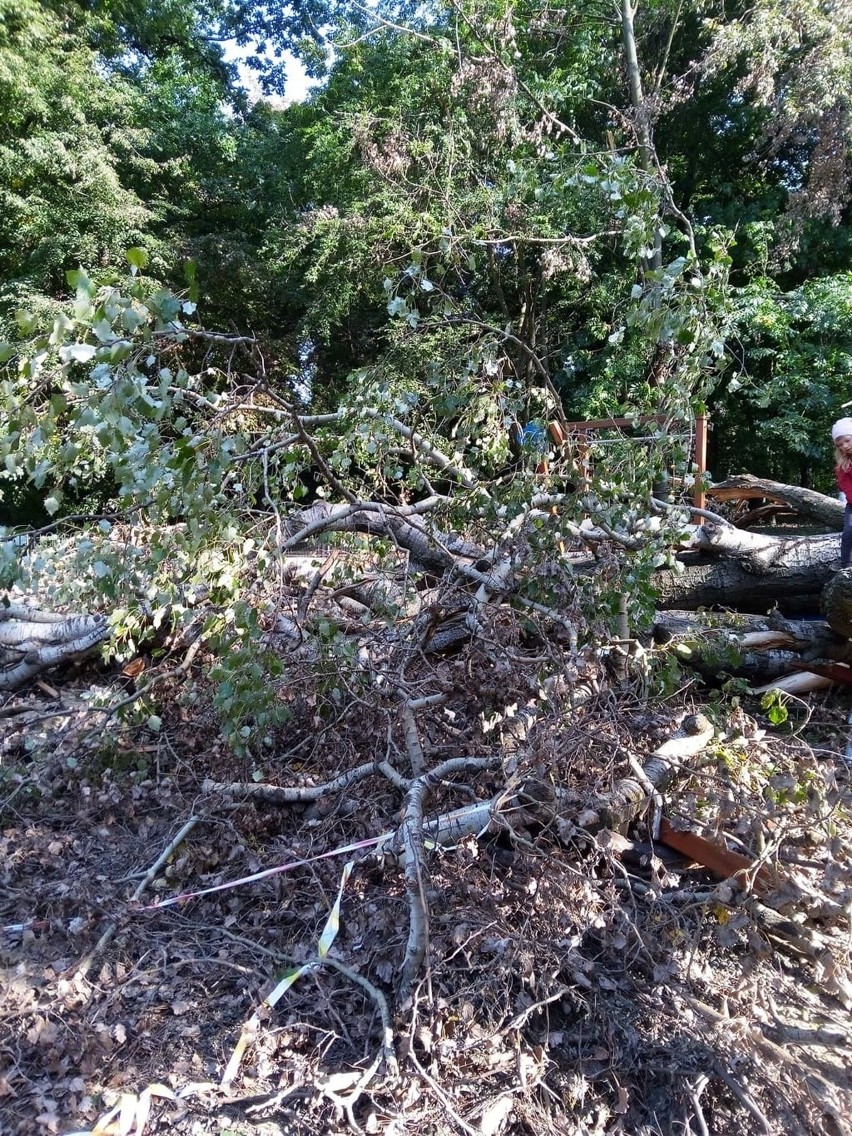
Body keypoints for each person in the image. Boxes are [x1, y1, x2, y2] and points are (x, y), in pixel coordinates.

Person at [832, 417, 852, 567]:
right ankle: (846, 568)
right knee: (849, 533)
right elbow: (847, 487)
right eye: (840, 445)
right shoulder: (843, 466)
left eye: (847, 441)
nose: (844, 446)